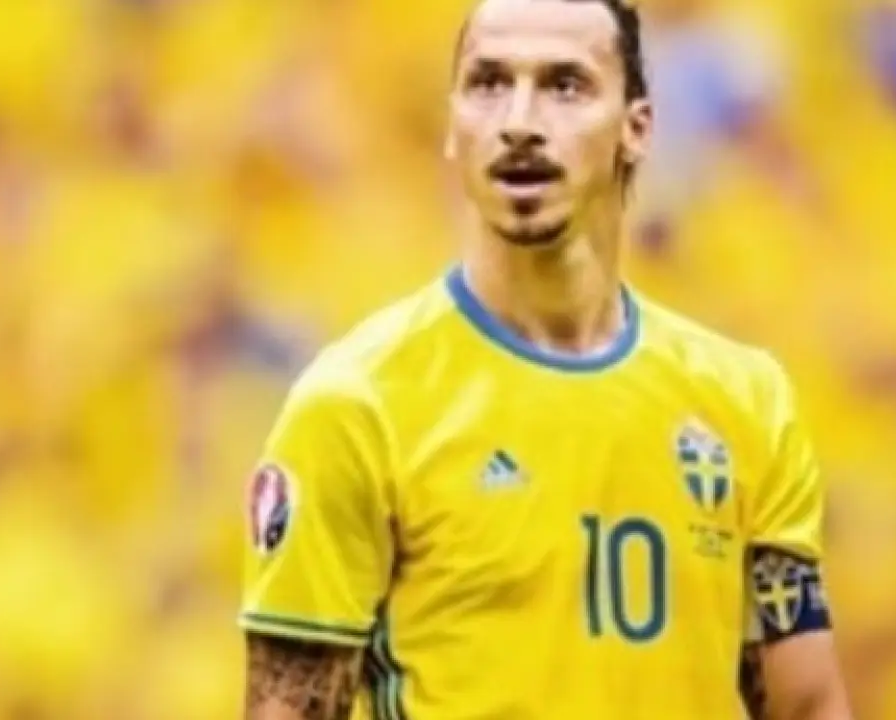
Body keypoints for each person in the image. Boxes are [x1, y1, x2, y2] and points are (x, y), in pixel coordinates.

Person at [239, 1, 853, 718]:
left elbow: (807, 702)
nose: (520, 122)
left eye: (565, 85)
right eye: (488, 83)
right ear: (453, 126)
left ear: (636, 128)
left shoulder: (745, 401)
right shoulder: (355, 406)